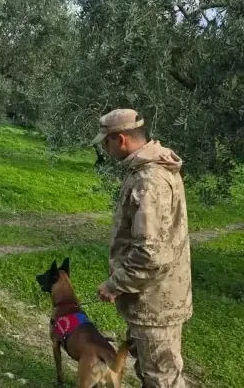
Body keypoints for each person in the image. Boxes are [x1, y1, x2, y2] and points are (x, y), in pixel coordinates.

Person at [93, 109, 192, 388]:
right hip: (152, 298)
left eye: (106, 142)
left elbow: (150, 254)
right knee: (153, 373)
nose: (105, 149)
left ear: (120, 139)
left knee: (161, 379)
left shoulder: (150, 180)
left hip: (155, 303)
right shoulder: (148, 170)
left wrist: (115, 284)